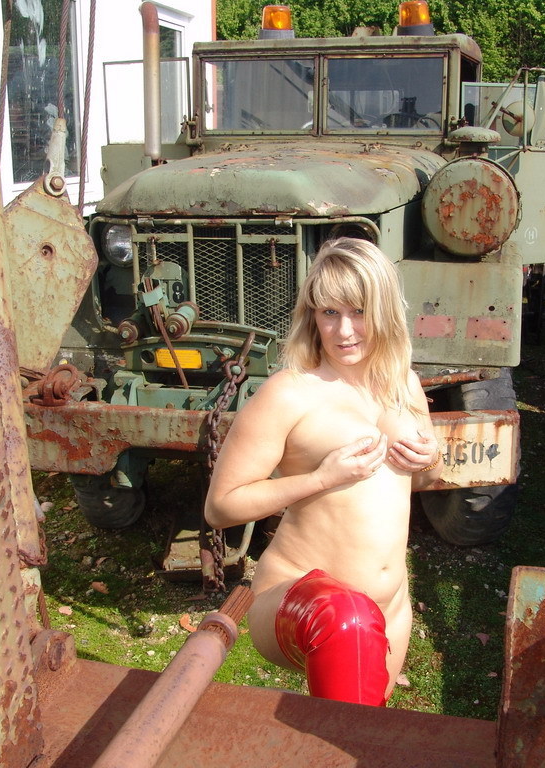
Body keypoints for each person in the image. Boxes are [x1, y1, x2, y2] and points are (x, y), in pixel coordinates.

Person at [204, 238, 443, 706]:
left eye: (358, 311)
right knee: (347, 621)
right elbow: (221, 507)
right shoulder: (289, 392)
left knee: (357, 734)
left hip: (390, 608)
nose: (344, 330)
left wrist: (430, 460)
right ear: (312, 315)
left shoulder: (404, 384)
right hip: (302, 600)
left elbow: (424, 483)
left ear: (384, 310)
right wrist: (320, 479)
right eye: (329, 313)